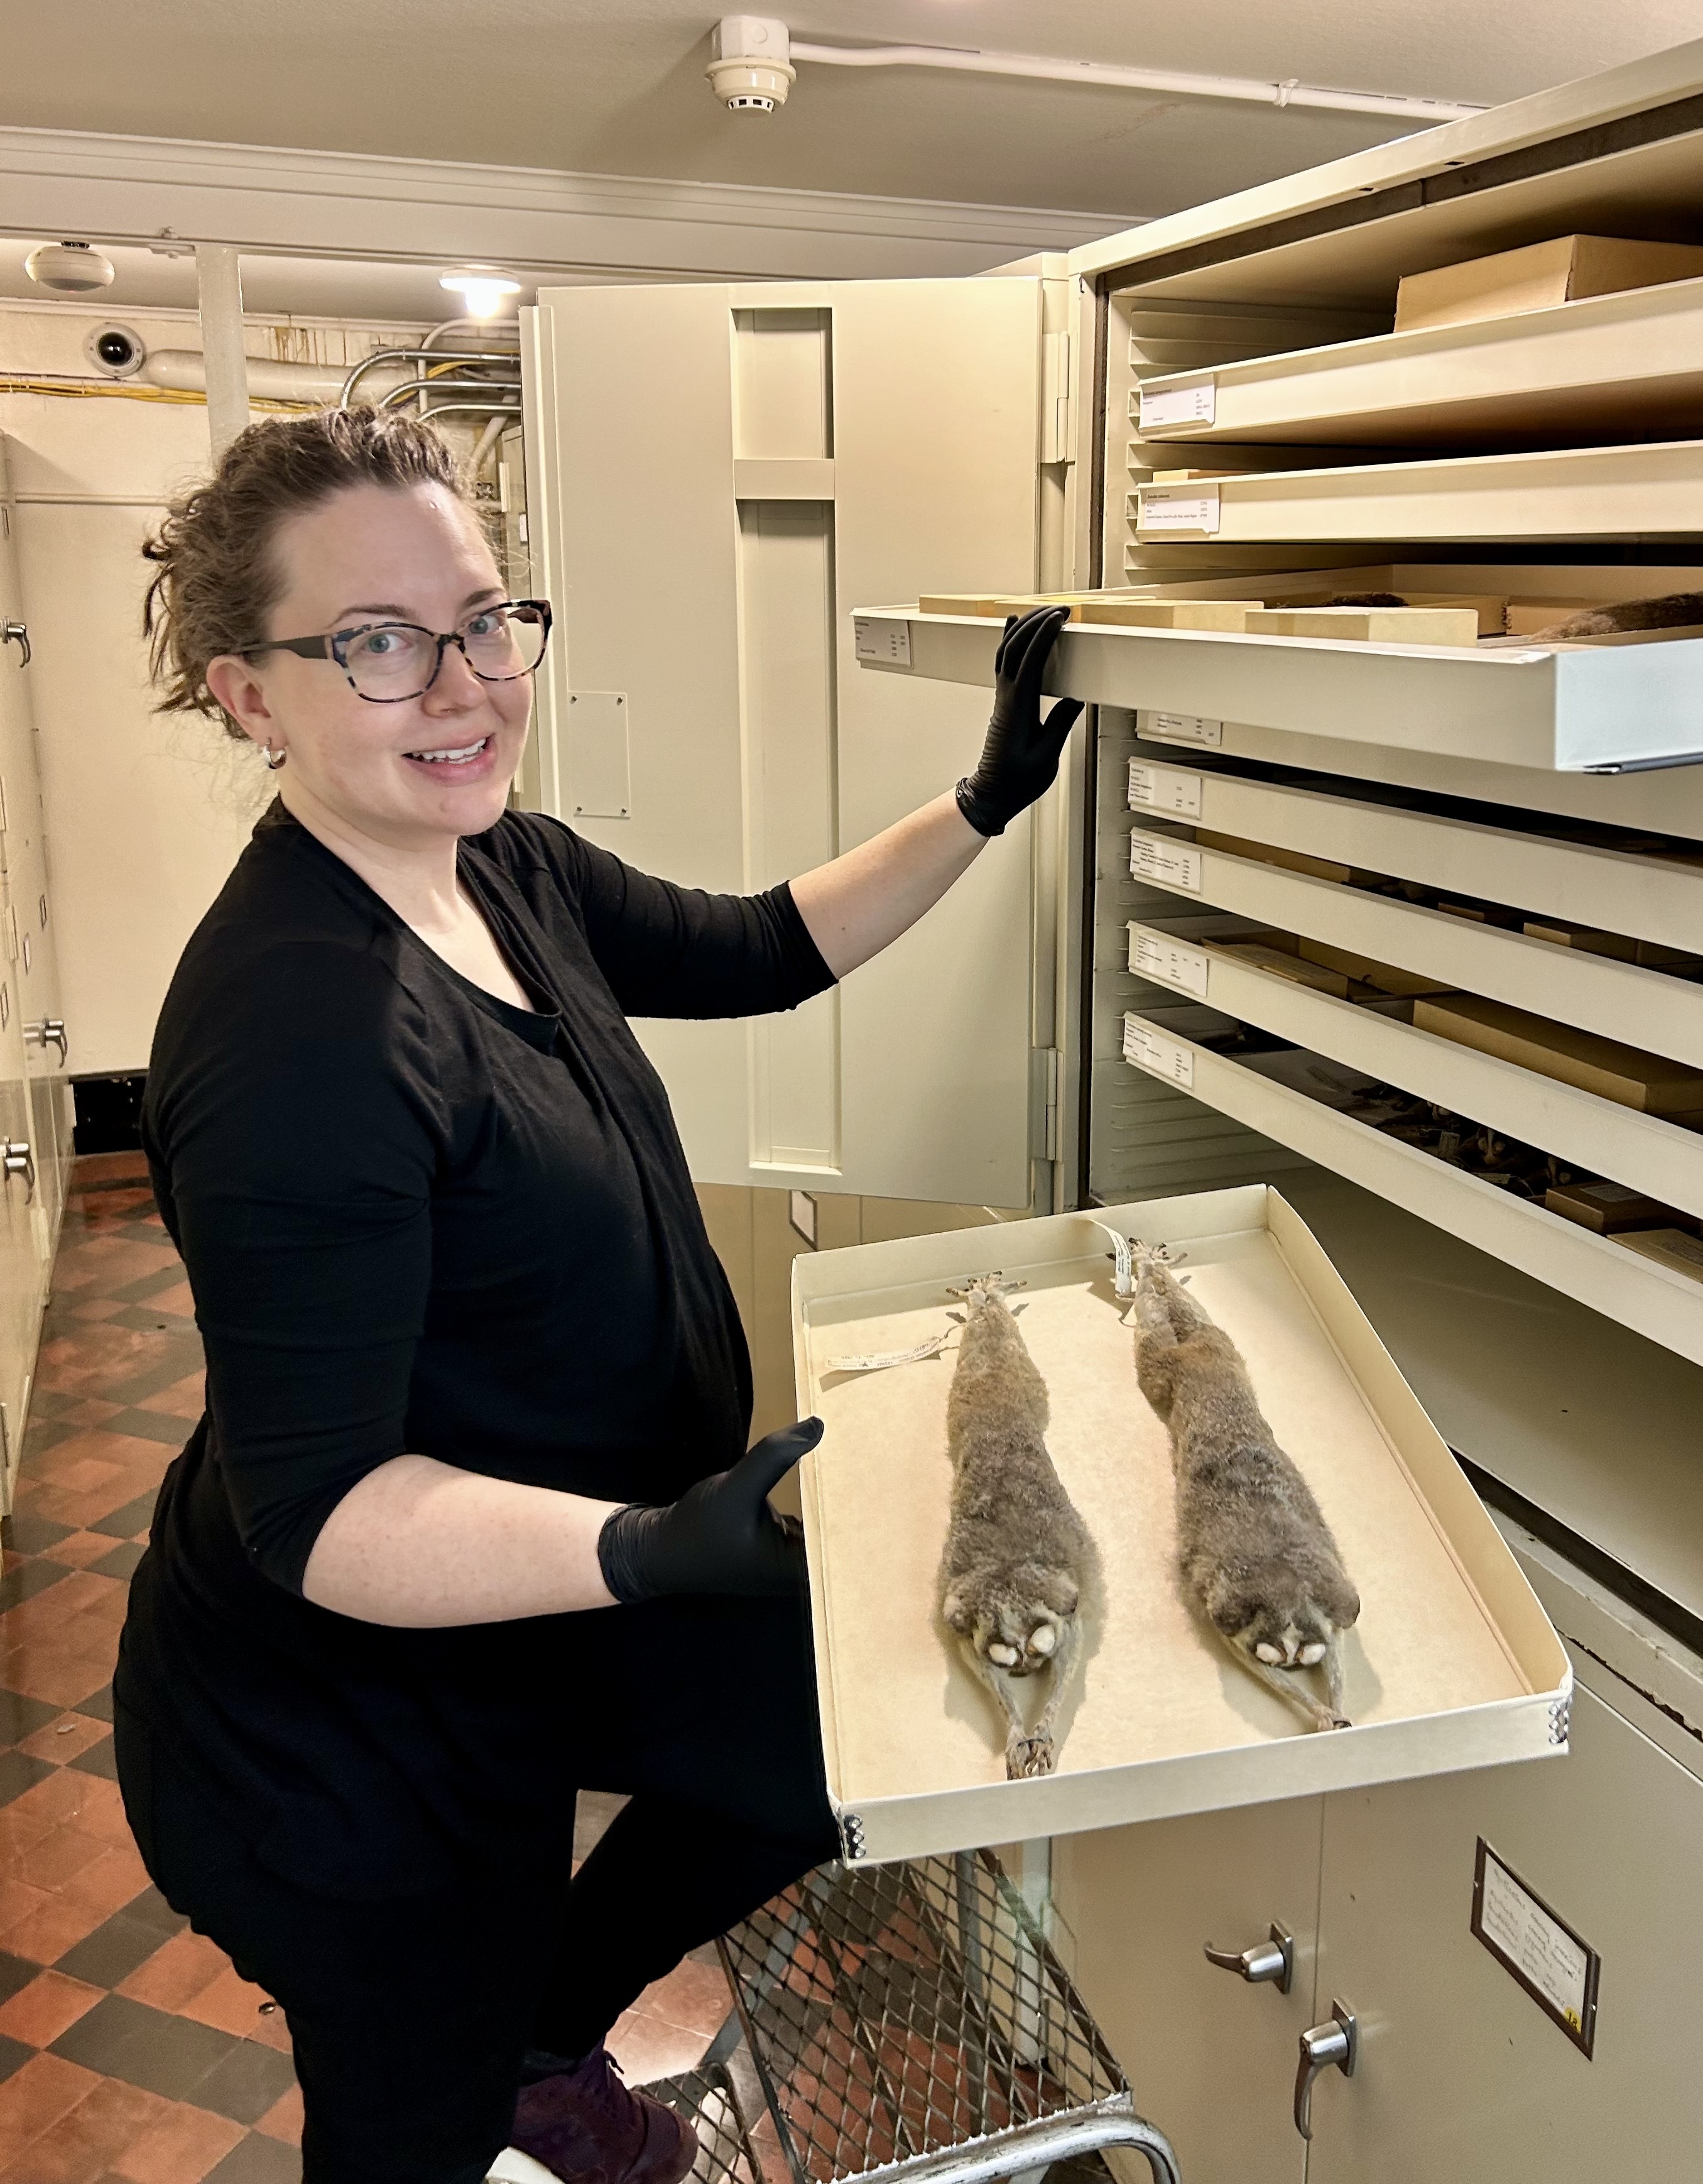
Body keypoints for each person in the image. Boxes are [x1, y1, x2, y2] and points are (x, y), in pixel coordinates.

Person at [116, 406, 1081, 2184]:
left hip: (545, 1594)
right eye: (378, 644)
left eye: (484, 620)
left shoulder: (504, 866)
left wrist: (979, 804)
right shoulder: (297, 1038)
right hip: (344, 1728)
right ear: (249, 695)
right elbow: (320, 1515)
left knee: (818, 1749)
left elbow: (764, 944)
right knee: (413, 2116)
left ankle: (542, 2046)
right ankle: (496, 2064)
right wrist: (650, 1551)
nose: (465, 685)